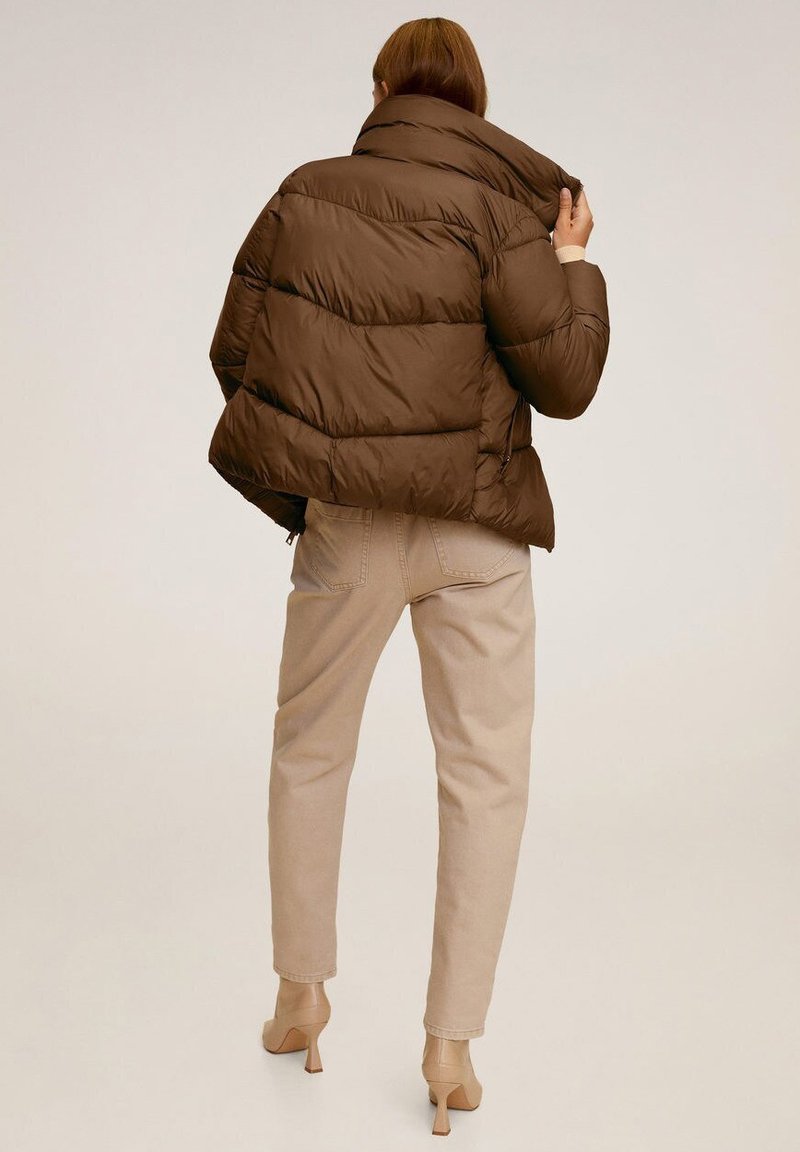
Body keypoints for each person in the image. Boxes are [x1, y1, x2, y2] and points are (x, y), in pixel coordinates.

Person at [208, 16, 610, 1136]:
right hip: (475, 535)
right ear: (473, 102)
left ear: (383, 88)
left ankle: (300, 997)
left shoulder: (305, 193)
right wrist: (574, 266)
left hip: (347, 527)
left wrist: (316, 487)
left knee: (309, 751)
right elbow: (567, 381)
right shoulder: (502, 214)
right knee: (484, 780)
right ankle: (449, 1051)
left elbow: (237, 355)